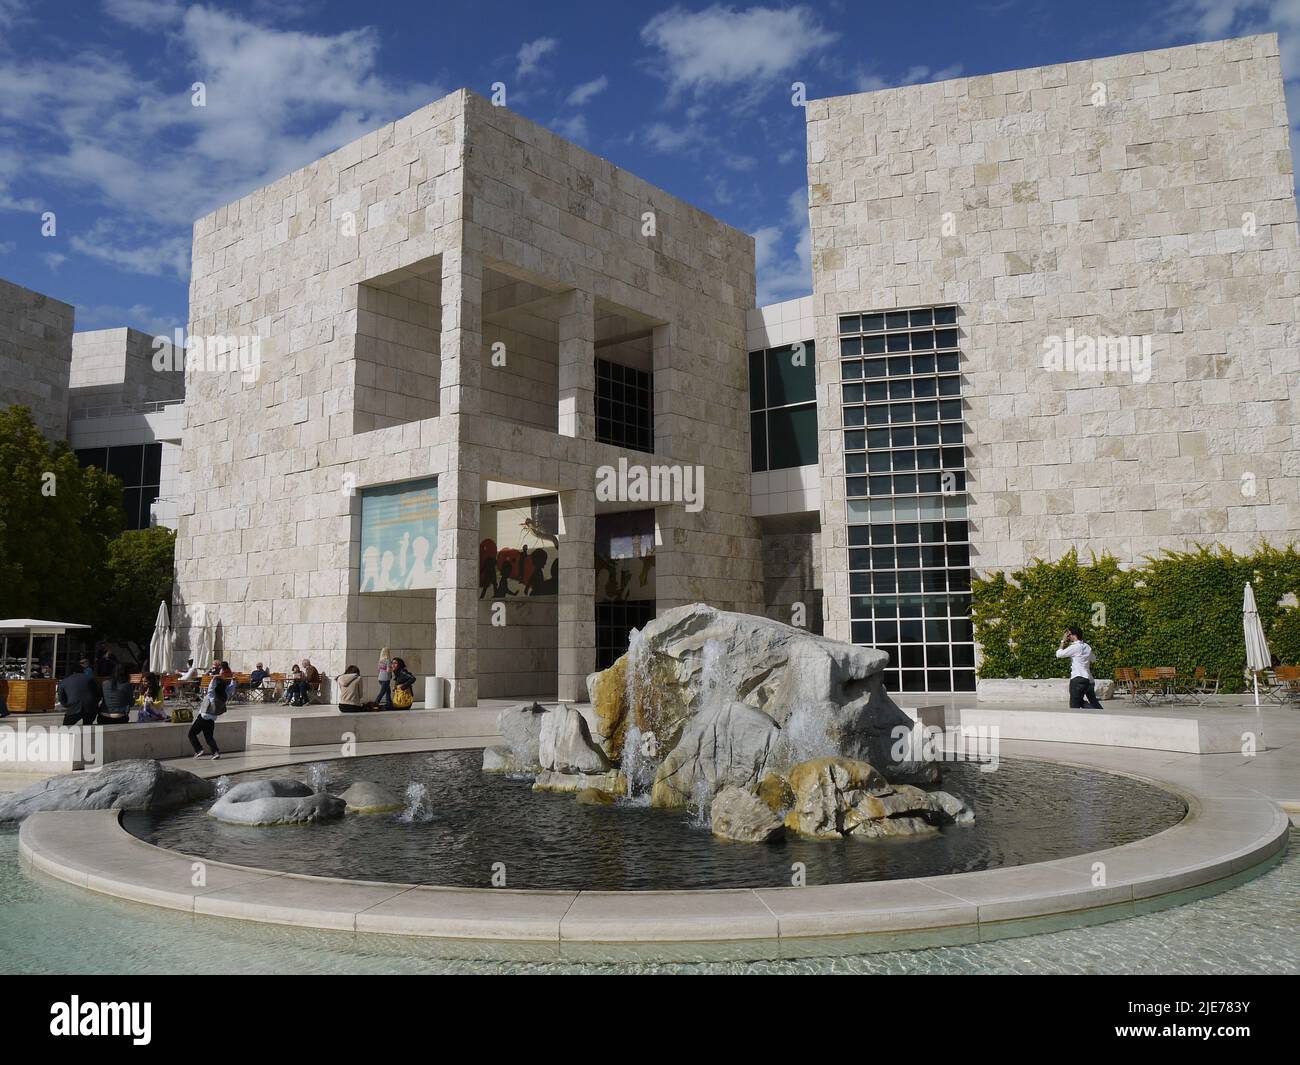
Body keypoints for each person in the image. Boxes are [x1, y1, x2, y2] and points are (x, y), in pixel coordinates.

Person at [189, 664, 230, 759]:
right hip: (212, 719)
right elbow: (230, 688)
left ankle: (198, 749)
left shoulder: (212, 696)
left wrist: (214, 679)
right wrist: (233, 682)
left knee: (191, 734)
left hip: (203, 717)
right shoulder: (224, 695)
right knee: (209, 737)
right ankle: (215, 752)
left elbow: (211, 688)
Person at [1057, 626, 1103, 709]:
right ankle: (1102, 714)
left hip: (1077, 679)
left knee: (1075, 705)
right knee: (1093, 701)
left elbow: (1059, 654)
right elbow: (1094, 659)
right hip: (1088, 679)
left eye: (1069, 635)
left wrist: (1063, 641)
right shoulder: (1087, 647)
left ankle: (1096, 713)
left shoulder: (1075, 647)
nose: (1068, 637)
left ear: (1074, 635)